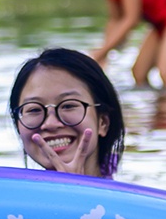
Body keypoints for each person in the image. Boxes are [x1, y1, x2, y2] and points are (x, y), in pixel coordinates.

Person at [10, 47, 124, 179]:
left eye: (68, 106)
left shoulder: (132, 191)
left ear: (103, 122)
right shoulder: (6, 190)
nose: (51, 124)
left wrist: (72, 186)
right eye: (34, 109)